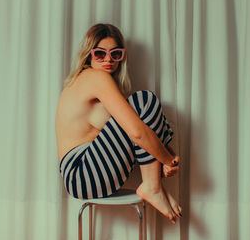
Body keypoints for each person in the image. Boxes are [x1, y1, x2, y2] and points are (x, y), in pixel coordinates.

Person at [55, 23, 181, 224]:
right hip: (80, 171)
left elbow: (141, 130)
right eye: (100, 54)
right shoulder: (94, 78)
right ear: (89, 55)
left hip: (87, 174)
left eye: (116, 54)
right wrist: (166, 160)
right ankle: (153, 187)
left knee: (140, 111)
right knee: (144, 100)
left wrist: (169, 157)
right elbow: (137, 133)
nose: (108, 60)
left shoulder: (100, 84)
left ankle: (154, 185)